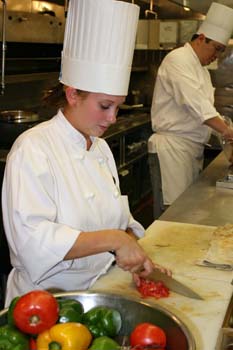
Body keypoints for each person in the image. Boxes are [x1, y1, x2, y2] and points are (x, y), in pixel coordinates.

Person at [2, 0, 169, 307]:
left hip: (101, 289)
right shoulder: (33, 149)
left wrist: (130, 248)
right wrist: (115, 240)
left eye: (117, 107)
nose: (112, 118)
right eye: (105, 106)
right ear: (72, 94)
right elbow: (32, 241)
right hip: (45, 303)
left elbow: (112, 219)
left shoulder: (100, 147)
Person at [148, 2, 233, 219]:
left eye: (222, 51)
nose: (217, 55)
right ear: (202, 37)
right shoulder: (178, 59)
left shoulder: (202, 70)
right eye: (217, 48)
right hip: (172, 149)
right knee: (172, 215)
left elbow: (207, 110)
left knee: (186, 210)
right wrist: (227, 131)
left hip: (191, 150)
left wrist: (225, 132)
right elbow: (197, 105)